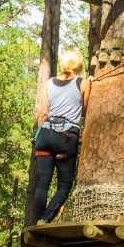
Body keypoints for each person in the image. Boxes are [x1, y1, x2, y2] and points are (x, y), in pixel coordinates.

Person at [34, 48, 91, 224]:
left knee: (42, 183)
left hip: (45, 135)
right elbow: (85, 111)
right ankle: (45, 220)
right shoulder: (83, 83)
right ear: (80, 65)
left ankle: (37, 221)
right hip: (66, 137)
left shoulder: (49, 83)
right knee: (64, 185)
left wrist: (38, 137)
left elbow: (43, 113)